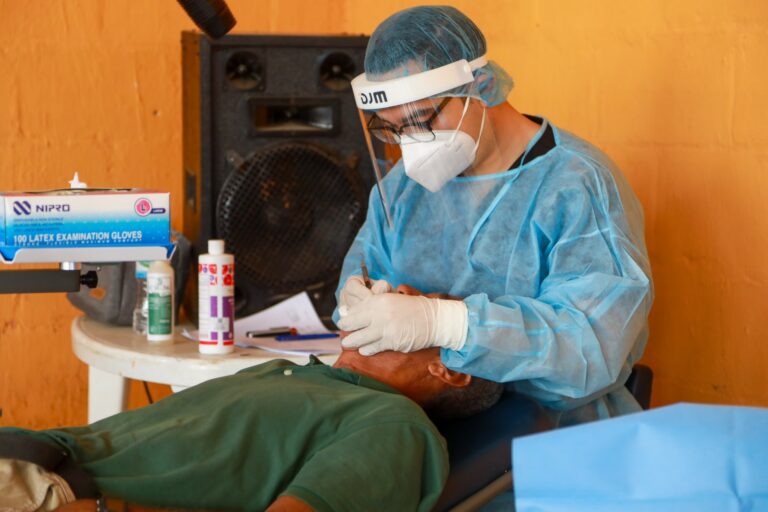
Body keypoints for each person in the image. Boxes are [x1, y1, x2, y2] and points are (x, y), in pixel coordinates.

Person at [336, 5, 653, 427]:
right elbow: (366, 271)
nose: (408, 145)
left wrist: (449, 325)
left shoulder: (575, 185)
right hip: (416, 419)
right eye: (391, 130)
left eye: (421, 121)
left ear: (482, 87)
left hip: (549, 435)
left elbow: (591, 349)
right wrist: (357, 299)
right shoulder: (403, 188)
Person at [0, 341, 503, 511]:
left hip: (55, 492)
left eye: (417, 304)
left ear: (449, 370)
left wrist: (104, 508)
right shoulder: (299, 374)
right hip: (31, 455)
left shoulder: (392, 424)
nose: (394, 294)